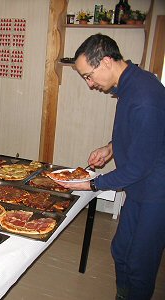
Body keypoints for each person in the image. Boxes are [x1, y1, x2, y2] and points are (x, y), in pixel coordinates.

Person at [61, 34, 165, 300]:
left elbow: (138, 166)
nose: (89, 84)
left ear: (106, 61)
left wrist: (91, 184)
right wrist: (110, 148)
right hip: (141, 187)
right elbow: (137, 133)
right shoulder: (130, 85)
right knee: (121, 250)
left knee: (140, 262)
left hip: (156, 192)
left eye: (88, 76)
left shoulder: (145, 96)